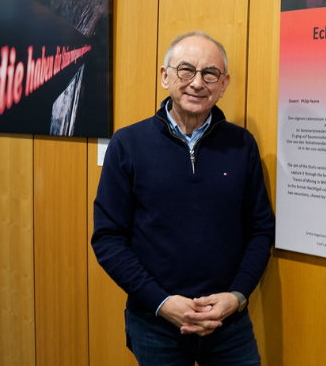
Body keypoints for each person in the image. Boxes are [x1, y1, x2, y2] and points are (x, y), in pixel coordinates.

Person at [91, 31, 274, 366]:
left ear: (224, 83)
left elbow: (261, 229)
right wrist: (161, 302)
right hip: (156, 323)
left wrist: (237, 297)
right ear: (165, 76)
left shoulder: (242, 145)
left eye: (210, 74)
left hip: (228, 324)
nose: (197, 83)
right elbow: (108, 238)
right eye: (186, 70)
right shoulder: (127, 144)